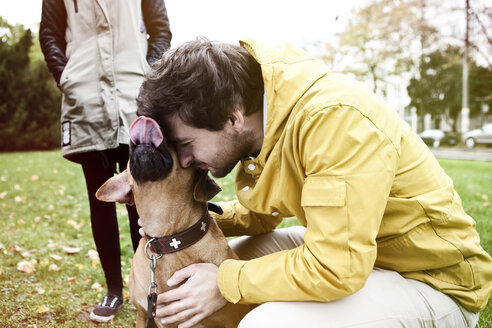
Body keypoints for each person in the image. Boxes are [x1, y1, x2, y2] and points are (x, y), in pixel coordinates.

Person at [136, 38, 492, 327]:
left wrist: (226, 283)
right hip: (362, 251)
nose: (183, 161)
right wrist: (181, 222)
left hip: (430, 281)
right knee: (222, 262)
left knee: (263, 322)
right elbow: (263, 213)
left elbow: (336, 267)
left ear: (233, 117)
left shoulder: (335, 121)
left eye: (186, 143)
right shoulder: (272, 118)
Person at [39, 0, 171, 322]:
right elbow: (50, 35)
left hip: (133, 94)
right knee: (99, 199)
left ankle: (149, 285)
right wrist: (66, 76)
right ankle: (114, 290)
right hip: (86, 98)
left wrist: (148, 72)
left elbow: (161, 30)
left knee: (138, 199)